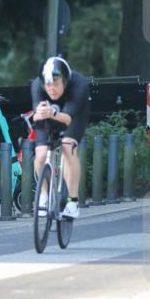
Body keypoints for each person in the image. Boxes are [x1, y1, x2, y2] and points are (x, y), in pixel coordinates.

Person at [30, 56, 90, 218]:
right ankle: (44, 195)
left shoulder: (79, 84)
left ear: (65, 81)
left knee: (67, 147)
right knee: (40, 154)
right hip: (49, 113)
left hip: (74, 115)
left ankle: (73, 201)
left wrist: (53, 113)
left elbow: (68, 119)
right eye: (48, 85)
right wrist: (38, 113)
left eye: (56, 84)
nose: (52, 89)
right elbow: (36, 115)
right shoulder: (37, 85)